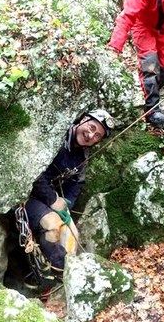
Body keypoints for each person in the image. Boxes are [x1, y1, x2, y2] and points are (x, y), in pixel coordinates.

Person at [23, 109, 114, 286]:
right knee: (53, 226)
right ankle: (46, 276)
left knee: (72, 234)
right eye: (91, 127)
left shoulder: (82, 155)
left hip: (50, 200)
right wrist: (53, 200)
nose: (90, 135)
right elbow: (34, 172)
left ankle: (63, 275)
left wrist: (67, 202)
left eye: (97, 136)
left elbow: (76, 184)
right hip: (26, 196)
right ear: (84, 119)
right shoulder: (58, 136)